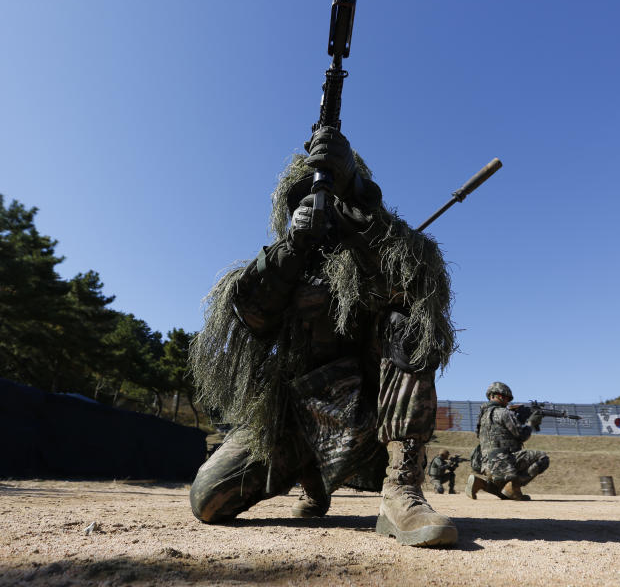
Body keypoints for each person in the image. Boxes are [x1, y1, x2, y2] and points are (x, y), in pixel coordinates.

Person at [187, 127, 458, 547]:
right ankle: (313, 478)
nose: (320, 204)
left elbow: (425, 278)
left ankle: (400, 489)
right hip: (297, 419)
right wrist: (292, 249)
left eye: (332, 191)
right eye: (309, 196)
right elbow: (251, 318)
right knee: (208, 500)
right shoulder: (283, 263)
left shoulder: (384, 248)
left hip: (372, 418)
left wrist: (359, 201)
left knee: (411, 320)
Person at [465, 382, 549, 501]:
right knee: (543, 458)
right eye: (505, 398)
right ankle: (513, 486)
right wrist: (531, 423)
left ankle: (480, 483)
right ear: (497, 396)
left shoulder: (482, 416)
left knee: (503, 494)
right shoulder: (503, 413)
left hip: (486, 465)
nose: (507, 401)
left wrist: (518, 418)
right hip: (504, 463)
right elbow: (522, 435)